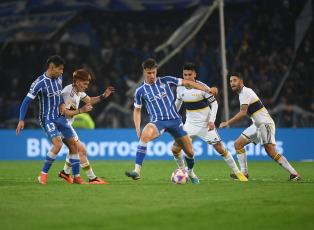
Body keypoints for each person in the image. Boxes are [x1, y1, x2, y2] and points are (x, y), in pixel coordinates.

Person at [125, 58, 218, 184]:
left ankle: (190, 171)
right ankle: (137, 171)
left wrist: (207, 90)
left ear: (156, 70)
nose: (152, 75)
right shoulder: (140, 91)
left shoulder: (166, 80)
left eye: (153, 72)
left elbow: (187, 83)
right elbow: (137, 110)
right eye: (149, 73)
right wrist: (137, 128)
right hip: (157, 122)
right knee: (144, 136)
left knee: (190, 153)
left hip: (175, 121)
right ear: (144, 73)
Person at [16, 55, 87, 184]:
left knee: (74, 145)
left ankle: (77, 178)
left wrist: (61, 103)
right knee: (58, 145)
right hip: (48, 119)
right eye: (60, 69)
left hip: (60, 118)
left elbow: (58, 94)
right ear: (52, 68)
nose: (62, 72)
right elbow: (26, 102)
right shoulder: (39, 83)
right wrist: (21, 119)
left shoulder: (59, 78)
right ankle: (43, 175)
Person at [171, 63, 247, 181]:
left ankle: (238, 173)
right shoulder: (180, 88)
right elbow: (178, 102)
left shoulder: (202, 87)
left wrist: (211, 121)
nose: (187, 77)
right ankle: (186, 172)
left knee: (220, 149)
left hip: (205, 124)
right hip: (189, 125)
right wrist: (173, 114)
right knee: (175, 149)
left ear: (195, 74)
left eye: (190, 75)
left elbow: (214, 104)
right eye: (185, 75)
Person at [219, 72, 301, 181]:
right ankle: (244, 174)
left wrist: (227, 122)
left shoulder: (245, 92)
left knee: (271, 152)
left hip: (265, 123)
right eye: (230, 81)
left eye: (235, 80)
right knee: (238, 144)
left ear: (241, 82)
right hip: (257, 125)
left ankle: (294, 174)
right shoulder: (242, 93)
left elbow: (243, 113)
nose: (232, 83)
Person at [58, 69, 115, 184]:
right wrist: (81, 111)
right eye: (85, 84)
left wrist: (103, 96)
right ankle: (92, 178)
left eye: (87, 84)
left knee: (73, 149)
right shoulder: (68, 93)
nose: (86, 86)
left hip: (67, 125)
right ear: (77, 82)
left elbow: (90, 100)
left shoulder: (78, 91)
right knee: (81, 150)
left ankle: (65, 172)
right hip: (62, 125)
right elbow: (62, 113)